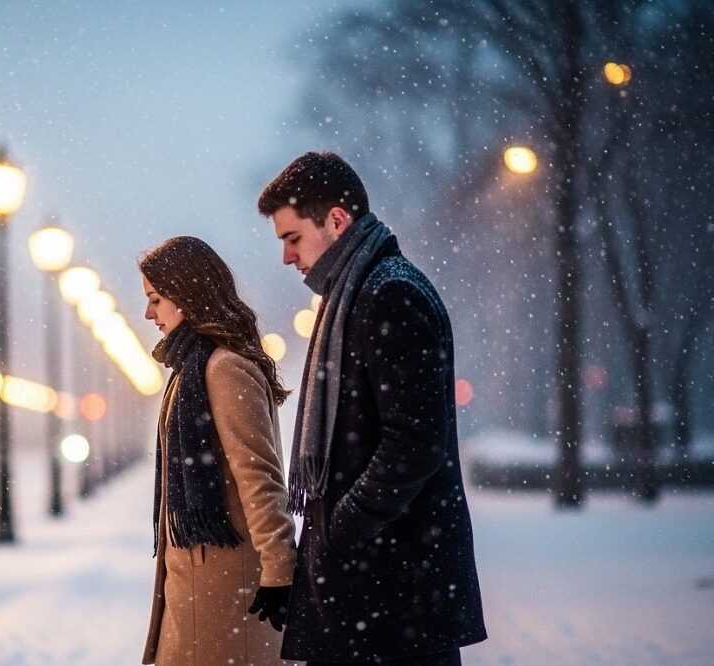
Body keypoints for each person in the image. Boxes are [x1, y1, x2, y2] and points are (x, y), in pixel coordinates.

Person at [256, 152, 487, 665]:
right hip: (378, 592)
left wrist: (342, 529)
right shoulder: (360, 291)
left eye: (292, 238)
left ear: (336, 220)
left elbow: (415, 441)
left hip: (390, 593)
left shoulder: (389, 294)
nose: (287, 258)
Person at [139, 236, 299, 666]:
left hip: (228, 591)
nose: (148, 313)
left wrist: (280, 570)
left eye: (155, 299)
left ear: (185, 296)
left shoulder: (223, 368)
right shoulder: (190, 369)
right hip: (202, 585)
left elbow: (259, 477)